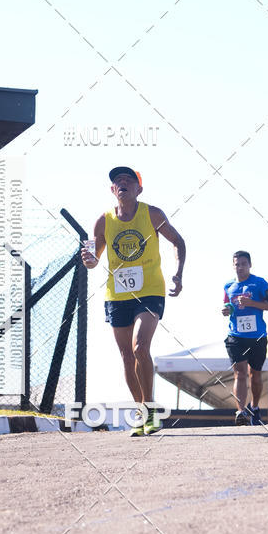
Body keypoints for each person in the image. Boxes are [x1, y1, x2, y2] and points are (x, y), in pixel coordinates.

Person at [81, 166, 185, 436]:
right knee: (127, 356)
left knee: (140, 347)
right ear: (112, 190)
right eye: (117, 181)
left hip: (150, 290)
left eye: (129, 180)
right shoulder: (103, 222)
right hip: (118, 295)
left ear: (139, 189)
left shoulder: (152, 214)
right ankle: (141, 412)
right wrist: (90, 260)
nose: (122, 183)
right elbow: (94, 259)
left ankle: (150, 410)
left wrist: (178, 273)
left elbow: (178, 241)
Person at [222, 251, 268, 426]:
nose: (240, 267)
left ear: (250, 265)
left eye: (243, 264)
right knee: (240, 373)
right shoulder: (228, 286)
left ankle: (254, 407)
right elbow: (227, 305)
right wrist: (226, 310)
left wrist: (251, 303)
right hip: (236, 336)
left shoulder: (260, 283)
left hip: (257, 337)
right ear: (233, 266)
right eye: (237, 264)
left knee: (255, 375)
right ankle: (241, 412)